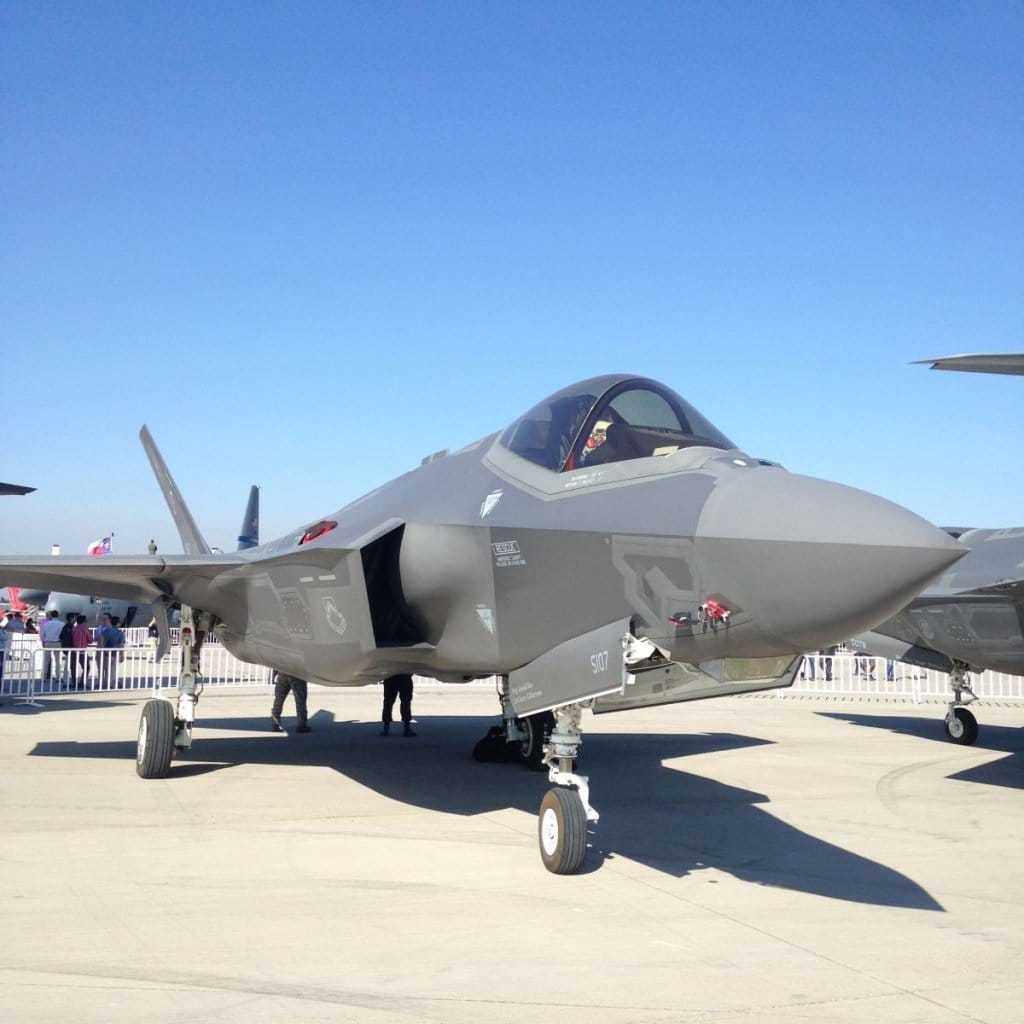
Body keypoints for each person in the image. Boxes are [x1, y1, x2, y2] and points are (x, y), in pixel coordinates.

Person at [95, 613, 125, 689]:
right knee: (107, 669)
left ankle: (106, 684)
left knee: (107, 669)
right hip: (109, 652)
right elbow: (121, 644)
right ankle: (107, 684)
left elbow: (101, 640)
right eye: (103, 618)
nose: (104, 620)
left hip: (108, 652)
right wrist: (122, 654)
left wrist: (103, 650)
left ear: (110, 620)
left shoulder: (109, 631)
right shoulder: (119, 632)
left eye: (106, 618)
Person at [39, 609, 64, 687]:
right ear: (58, 615)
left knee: (46, 660)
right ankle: (58, 676)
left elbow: (42, 634)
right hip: (58, 642)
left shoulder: (46, 624)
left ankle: (44, 677)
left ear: (51, 615)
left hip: (48, 642)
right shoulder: (62, 624)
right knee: (58, 661)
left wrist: (43, 642)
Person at [72, 614, 92, 690]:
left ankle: (74, 683)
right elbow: (90, 639)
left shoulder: (74, 628)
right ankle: (82, 683)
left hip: (73, 650)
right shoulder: (85, 629)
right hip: (82, 651)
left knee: (73, 668)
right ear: (84, 621)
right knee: (87, 667)